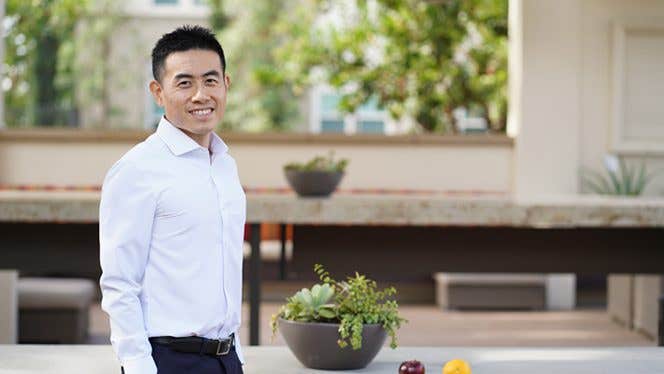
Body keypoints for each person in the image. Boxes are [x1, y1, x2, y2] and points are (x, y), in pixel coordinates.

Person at [99, 25, 245, 374]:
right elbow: (120, 283)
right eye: (184, 83)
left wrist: (236, 354)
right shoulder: (137, 170)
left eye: (210, 81)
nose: (200, 95)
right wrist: (137, 366)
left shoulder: (225, 164)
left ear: (226, 84)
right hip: (168, 361)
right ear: (158, 91)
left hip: (227, 360)